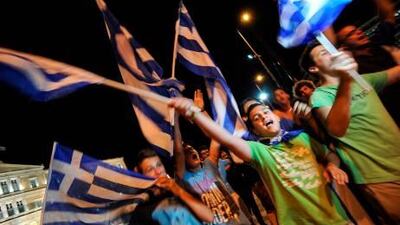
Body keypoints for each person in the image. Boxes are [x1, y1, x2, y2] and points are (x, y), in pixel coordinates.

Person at [169, 98, 352, 225]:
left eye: (266, 112)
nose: (264, 117)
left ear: (276, 116)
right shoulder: (259, 151)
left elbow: (330, 154)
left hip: (338, 218)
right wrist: (195, 112)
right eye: (257, 118)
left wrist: (332, 165)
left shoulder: (302, 138)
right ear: (255, 131)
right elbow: (224, 138)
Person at [300, 41, 400, 224]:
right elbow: (336, 129)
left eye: (331, 49)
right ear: (314, 68)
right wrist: (345, 79)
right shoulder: (320, 95)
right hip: (379, 175)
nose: (332, 53)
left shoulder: (361, 80)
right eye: (324, 52)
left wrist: (391, 46)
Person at [174, 89, 252, 225]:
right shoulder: (183, 178)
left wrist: (200, 112)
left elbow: (217, 137)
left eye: (192, 148)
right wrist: (174, 117)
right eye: (187, 151)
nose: (192, 150)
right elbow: (178, 151)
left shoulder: (209, 167)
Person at [129, 148, 213, 225]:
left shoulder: (180, 185)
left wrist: (176, 189)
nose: (158, 171)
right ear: (143, 177)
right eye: (150, 169)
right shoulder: (141, 210)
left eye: (159, 165)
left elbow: (209, 216)